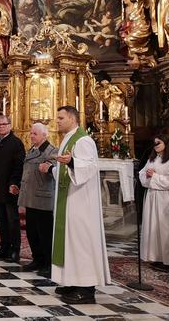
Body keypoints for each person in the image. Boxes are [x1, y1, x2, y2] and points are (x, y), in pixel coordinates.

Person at [52, 105, 110, 304]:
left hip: (81, 202)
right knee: (70, 242)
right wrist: (55, 167)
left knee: (81, 242)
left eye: (61, 118)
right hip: (69, 200)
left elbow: (89, 168)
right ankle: (73, 280)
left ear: (72, 118)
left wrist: (70, 163)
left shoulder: (84, 140)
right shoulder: (68, 139)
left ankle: (86, 289)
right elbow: (64, 169)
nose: (57, 121)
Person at [139, 134, 169, 272]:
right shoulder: (152, 159)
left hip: (165, 198)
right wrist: (146, 174)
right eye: (154, 142)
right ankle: (157, 258)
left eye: (159, 142)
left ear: (166, 143)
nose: (156, 144)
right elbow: (142, 173)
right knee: (154, 227)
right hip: (152, 196)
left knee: (165, 228)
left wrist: (155, 176)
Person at [18, 123, 57, 277]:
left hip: (43, 198)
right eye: (31, 133)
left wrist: (49, 166)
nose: (31, 135)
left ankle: (48, 263)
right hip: (30, 197)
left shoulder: (52, 151)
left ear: (44, 135)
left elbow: (54, 167)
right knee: (32, 232)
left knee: (45, 233)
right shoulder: (32, 150)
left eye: (35, 133)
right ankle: (37, 259)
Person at [0, 115, 25, 262]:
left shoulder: (16, 143)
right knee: (1, 220)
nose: (1, 126)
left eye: (4, 124)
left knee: (12, 220)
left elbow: (18, 166)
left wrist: (14, 183)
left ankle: (15, 250)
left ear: (9, 125)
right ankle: (4, 247)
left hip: (9, 189)